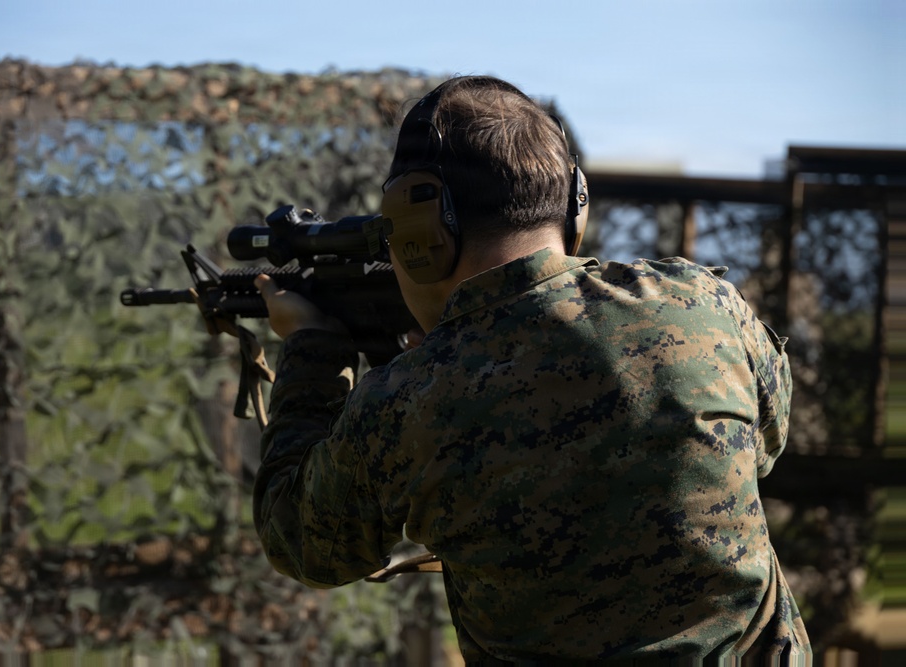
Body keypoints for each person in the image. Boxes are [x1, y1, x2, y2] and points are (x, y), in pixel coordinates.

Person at [245, 75, 811, 664]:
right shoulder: (702, 306)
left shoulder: (409, 404)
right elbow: (763, 442)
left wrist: (311, 349)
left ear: (416, 232)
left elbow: (302, 541)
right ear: (574, 205)